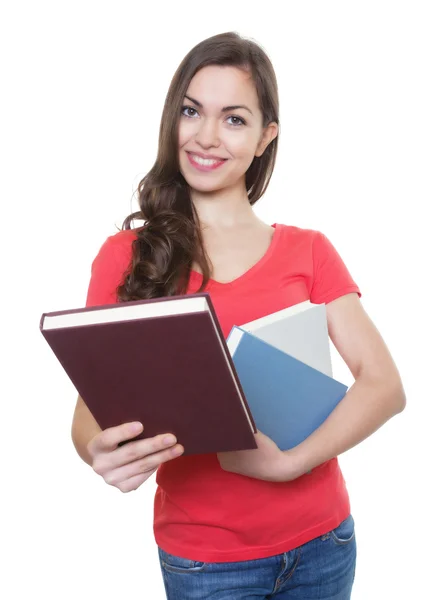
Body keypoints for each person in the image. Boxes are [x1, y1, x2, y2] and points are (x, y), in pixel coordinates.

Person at [71, 31, 406, 600]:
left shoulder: (310, 250)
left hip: (324, 545)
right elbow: (89, 413)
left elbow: (385, 386)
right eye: (191, 111)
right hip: (208, 563)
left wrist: (290, 463)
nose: (205, 136)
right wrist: (96, 450)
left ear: (264, 136)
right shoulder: (128, 258)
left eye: (234, 119)